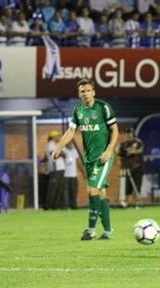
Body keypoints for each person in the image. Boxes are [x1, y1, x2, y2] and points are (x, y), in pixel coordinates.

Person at [51, 78, 119, 240]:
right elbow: (70, 131)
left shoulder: (103, 108)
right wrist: (59, 146)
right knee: (101, 193)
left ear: (93, 92)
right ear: (79, 94)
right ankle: (108, 231)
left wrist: (109, 151)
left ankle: (90, 229)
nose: (86, 93)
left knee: (91, 191)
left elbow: (115, 130)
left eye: (88, 90)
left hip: (103, 157)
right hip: (89, 159)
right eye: (82, 91)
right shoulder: (78, 110)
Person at [117, 128, 144, 207]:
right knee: (126, 187)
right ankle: (125, 203)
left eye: (131, 132)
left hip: (137, 167)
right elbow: (118, 152)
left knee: (137, 185)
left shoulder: (138, 142)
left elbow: (139, 151)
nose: (129, 134)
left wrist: (131, 151)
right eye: (128, 132)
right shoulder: (123, 144)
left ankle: (137, 202)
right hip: (126, 168)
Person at [45, 130, 66, 210]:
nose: (59, 137)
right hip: (55, 169)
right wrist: (61, 153)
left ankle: (55, 206)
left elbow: (62, 154)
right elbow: (54, 155)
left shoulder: (56, 145)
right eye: (57, 136)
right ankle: (48, 206)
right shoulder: (50, 145)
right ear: (53, 137)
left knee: (59, 189)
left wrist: (60, 153)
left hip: (60, 169)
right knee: (53, 189)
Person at [63, 141, 79, 210]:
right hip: (65, 175)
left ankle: (74, 205)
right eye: (69, 143)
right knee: (66, 191)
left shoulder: (74, 151)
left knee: (74, 191)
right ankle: (66, 206)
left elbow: (78, 162)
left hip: (73, 174)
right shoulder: (63, 150)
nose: (71, 145)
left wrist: (83, 172)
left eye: (71, 143)